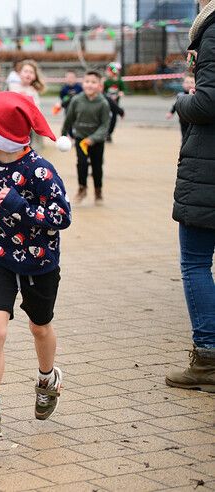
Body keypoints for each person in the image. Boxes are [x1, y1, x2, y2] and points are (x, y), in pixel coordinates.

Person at [0, 92, 71, 439]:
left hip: (40, 264)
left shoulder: (41, 170)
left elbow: (62, 217)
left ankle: (47, 377)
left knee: (39, 327)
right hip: (2, 259)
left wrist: (20, 205)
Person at [166, 0, 215, 393]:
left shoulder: (212, 28)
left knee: (195, 262)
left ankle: (207, 356)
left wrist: (182, 102)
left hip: (209, 170)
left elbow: (208, 102)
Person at [60, 70, 111, 204]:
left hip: (96, 142)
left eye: (93, 82)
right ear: (83, 84)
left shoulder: (103, 103)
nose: (90, 85)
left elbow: (105, 126)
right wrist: (63, 134)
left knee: (97, 166)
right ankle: (82, 188)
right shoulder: (76, 100)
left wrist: (93, 138)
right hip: (81, 139)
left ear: (99, 86)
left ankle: (98, 191)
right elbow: (69, 119)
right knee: (81, 164)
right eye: (87, 82)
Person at [166, 74, 196, 142]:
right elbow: (176, 105)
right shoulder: (180, 95)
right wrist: (171, 112)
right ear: (183, 84)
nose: (189, 84)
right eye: (187, 82)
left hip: (193, 119)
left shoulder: (196, 95)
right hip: (183, 120)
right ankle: (183, 145)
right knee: (184, 136)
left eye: (192, 82)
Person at [103, 62, 126, 142]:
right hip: (107, 104)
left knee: (113, 119)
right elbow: (103, 92)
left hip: (115, 105)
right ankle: (105, 133)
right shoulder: (106, 82)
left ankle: (109, 134)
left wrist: (121, 93)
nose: (107, 72)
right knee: (106, 118)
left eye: (108, 71)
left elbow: (123, 90)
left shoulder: (119, 81)